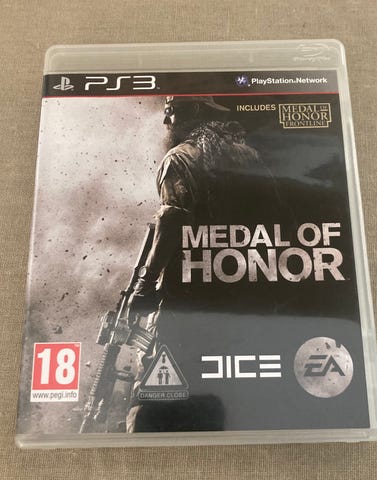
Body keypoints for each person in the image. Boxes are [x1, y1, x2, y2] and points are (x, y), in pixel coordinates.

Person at [125, 96, 280, 432]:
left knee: (152, 400)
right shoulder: (249, 156)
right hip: (244, 299)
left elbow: (171, 221)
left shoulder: (179, 159)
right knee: (223, 393)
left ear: (193, 111)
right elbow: (276, 221)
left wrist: (144, 285)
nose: (166, 122)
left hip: (187, 300)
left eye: (170, 113)